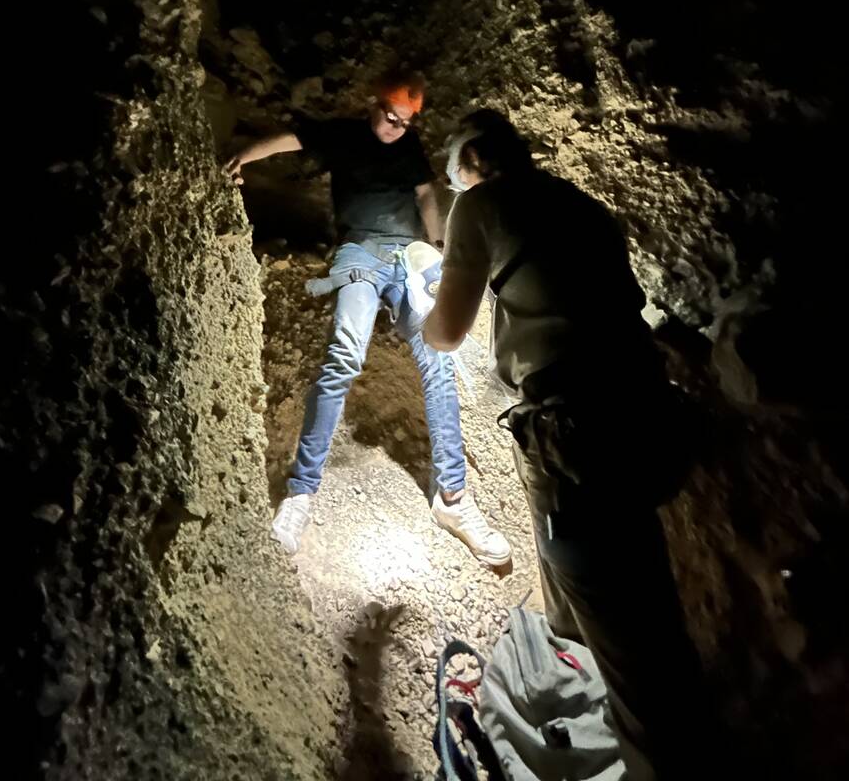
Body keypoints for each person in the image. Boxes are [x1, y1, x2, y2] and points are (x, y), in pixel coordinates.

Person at [423, 110, 711, 781]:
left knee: (636, 636)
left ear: (470, 166)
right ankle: (575, 652)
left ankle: (668, 757)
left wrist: (432, 291)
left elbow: (446, 332)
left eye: (456, 173)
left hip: (581, 430)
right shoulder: (577, 202)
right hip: (643, 409)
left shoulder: (478, 205)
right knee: (619, 572)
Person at [225, 73, 510, 566]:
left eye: (404, 123)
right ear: (372, 104)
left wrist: (437, 246)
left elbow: (425, 195)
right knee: (344, 355)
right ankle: (301, 493)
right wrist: (242, 157)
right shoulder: (341, 134)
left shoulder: (410, 146)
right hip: (359, 253)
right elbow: (289, 141)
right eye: (389, 116)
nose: (395, 127)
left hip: (410, 256)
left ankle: (453, 500)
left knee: (438, 358)